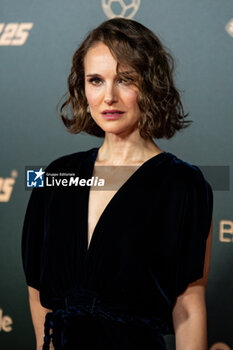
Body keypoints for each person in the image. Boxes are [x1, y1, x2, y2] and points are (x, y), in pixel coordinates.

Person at [21, 18, 214, 350]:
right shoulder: (55, 175)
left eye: (125, 80)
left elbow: (189, 306)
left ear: (152, 85)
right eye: (95, 80)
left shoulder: (184, 185)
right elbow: (37, 290)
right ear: (83, 88)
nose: (108, 96)